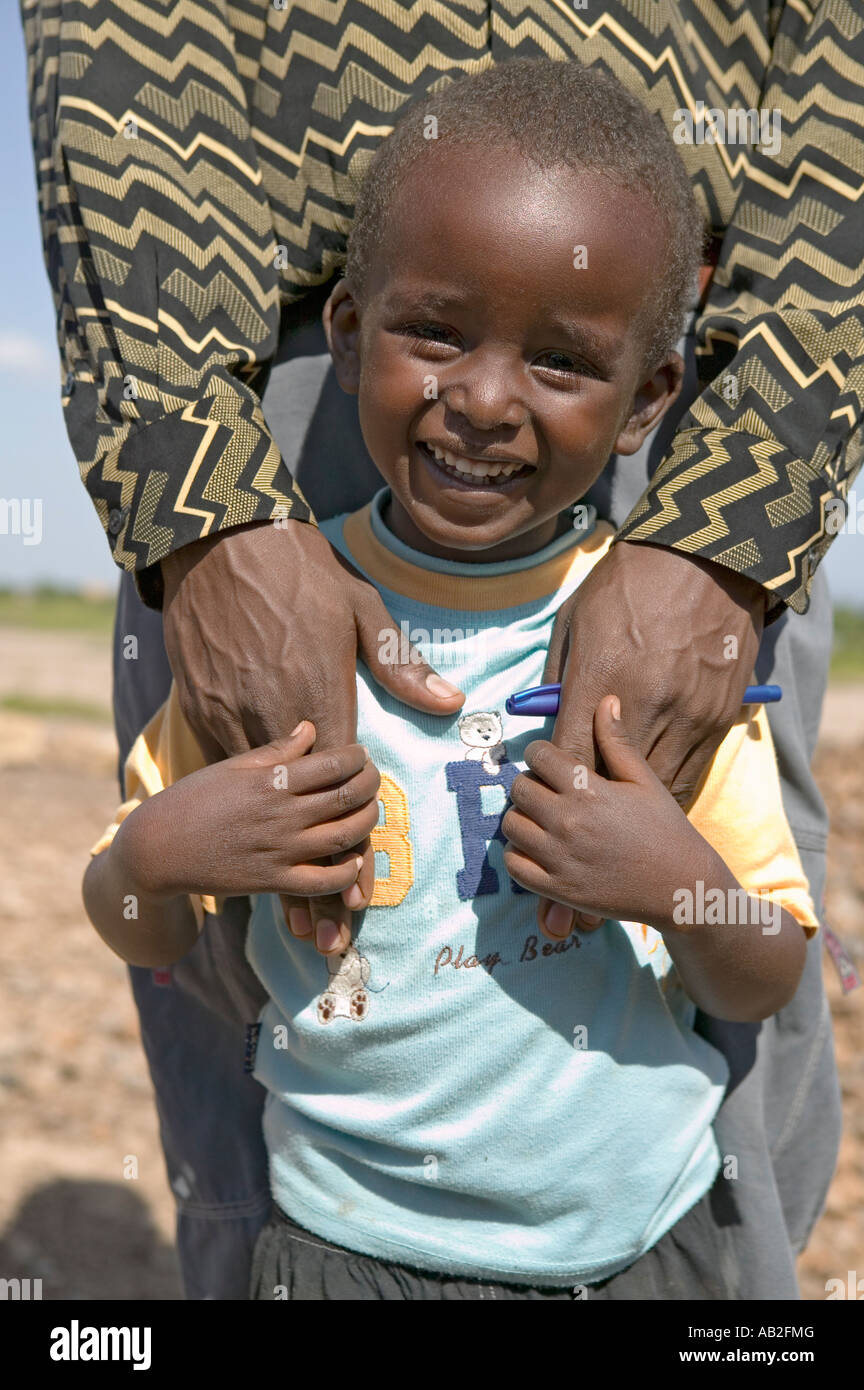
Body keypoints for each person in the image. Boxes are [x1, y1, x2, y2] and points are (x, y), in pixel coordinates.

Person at [23, 0, 860, 1298]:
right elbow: (137, 919)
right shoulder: (269, 634)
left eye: (561, 361)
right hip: (334, 1258)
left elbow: (761, 966)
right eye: (436, 334)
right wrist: (155, 854)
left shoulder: (679, 667)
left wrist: (673, 878)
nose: (481, 398)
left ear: (650, 401)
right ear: (355, 330)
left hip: (644, 1255)